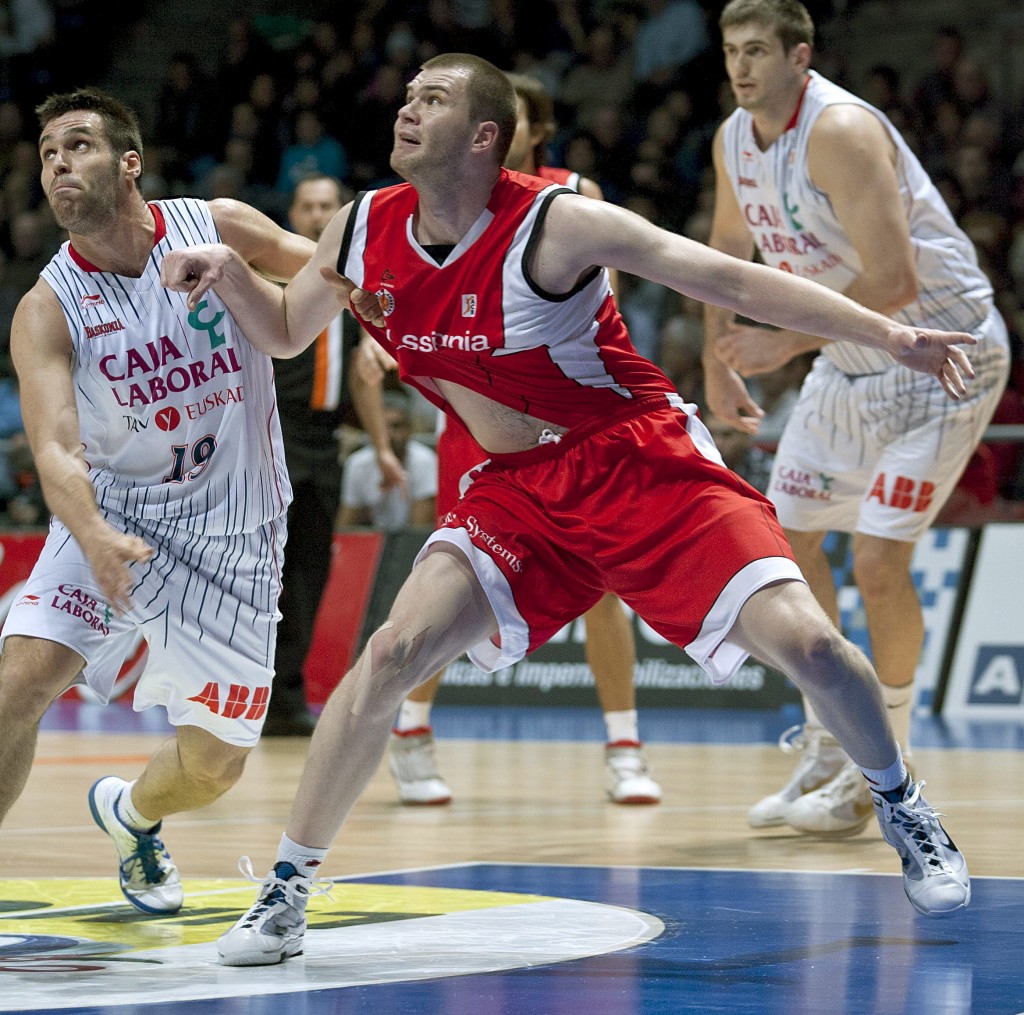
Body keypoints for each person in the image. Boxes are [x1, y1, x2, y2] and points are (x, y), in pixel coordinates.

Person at [159, 53, 976, 964]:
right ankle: (285, 891)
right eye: (406, 95)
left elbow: (725, 278)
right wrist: (230, 271)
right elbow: (282, 329)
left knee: (813, 646)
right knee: (390, 652)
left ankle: (903, 802)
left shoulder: (556, 223)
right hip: (517, 495)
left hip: (639, 464)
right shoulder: (360, 230)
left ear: (483, 136)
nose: (406, 109)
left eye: (433, 100)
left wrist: (891, 333)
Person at [0, 87, 316, 914]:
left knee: (216, 765)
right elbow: (56, 449)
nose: (58, 165)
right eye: (47, 155)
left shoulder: (215, 225)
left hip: (237, 534)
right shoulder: (47, 307)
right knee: (20, 682)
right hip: (116, 520)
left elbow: (321, 265)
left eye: (77, 146)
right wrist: (93, 532)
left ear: (128, 161)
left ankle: (132, 817)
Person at [703, 0, 1009, 837]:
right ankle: (837, 744)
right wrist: (716, 357)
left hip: (939, 354)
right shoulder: (734, 137)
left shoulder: (839, 129)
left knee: (877, 561)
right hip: (846, 360)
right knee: (784, 551)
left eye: (758, 49)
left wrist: (785, 344)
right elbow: (724, 258)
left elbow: (896, 283)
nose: (742, 66)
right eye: (731, 50)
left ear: (801, 55)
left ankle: (889, 770)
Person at [385, 70, 663, 809]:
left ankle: (625, 745)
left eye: (524, 121)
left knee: (603, 583)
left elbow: (605, 308)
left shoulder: (570, 198)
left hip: (563, 419)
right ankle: (410, 728)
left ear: (530, 131)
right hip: (474, 424)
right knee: (447, 582)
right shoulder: (435, 200)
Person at [265, 173, 405, 737]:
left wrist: (382, 449)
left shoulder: (355, 285)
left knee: (309, 573)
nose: (319, 215)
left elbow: (364, 377)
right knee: (261, 576)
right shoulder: (268, 274)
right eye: (308, 206)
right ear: (291, 215)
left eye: (328, 206)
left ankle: (287, 699)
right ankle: (238, 696)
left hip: (324, 444)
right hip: (270, 437)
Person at [339, 388, 437, 530]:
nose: (390, 433)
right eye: (384, 427)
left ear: (409, 429)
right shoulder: (357, 464)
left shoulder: (425, 461)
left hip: (410, 545)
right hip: (372, 543)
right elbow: (345, 529)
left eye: (396, 426)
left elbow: (418, 532)